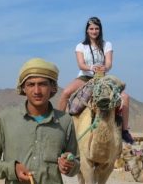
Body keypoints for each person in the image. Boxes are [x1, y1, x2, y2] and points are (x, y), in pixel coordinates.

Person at [57, 16, 134, 144]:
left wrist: (104, 67)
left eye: (96, 28)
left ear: (100, 30)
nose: (94, 31)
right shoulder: (81, 46)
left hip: (102, 77)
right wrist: (91, 67)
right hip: (85, 76)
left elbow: (109, 63)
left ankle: (125, 131)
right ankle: (59, 124)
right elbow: (81, 64)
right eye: (91, 28)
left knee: (125, 97)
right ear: (87, 30)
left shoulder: (106, 44)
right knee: (65, 93)